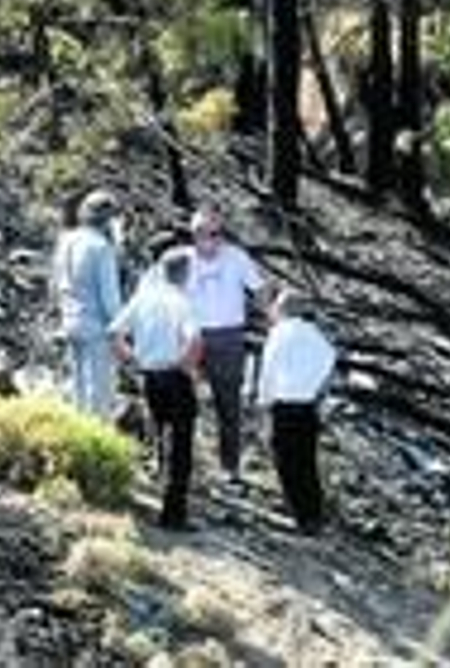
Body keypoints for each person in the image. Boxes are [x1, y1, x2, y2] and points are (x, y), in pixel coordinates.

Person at [109, 246, 202, 531]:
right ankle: (173, 514)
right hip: (174, 375)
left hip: (149, 376)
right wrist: (187, 367)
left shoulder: (143, 298)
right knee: (180, 446)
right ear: (185, 274)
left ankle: (155, 502)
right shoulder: (182, 302)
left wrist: (132, 360)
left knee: (158, 439)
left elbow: (114, 334)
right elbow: (195, 340)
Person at [183, 203, 271, 487]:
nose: (211, 239)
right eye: (203, 233)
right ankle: (180, 465)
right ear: (194, 234)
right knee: (181, 402)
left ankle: (230, 468)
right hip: (191, 337)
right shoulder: (182, 260)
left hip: (228, 337)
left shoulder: (236, 257)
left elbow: (260, 289)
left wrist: (272, 320)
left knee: (229, 406)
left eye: (216, 233)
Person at [256, 291, 338, 534]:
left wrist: (263, 400)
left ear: (282, 309)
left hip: (283, 405)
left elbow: (268, 369)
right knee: (307, 463)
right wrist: (316, 389)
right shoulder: (316, 334)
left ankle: (302, 517)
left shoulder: (279, 333)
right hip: (308, 407)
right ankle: (314, 514)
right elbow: (330, 359)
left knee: (286, 463)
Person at [49, 189, 123, 419]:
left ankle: (78, 433)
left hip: (69, 319)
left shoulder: (66, 240)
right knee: (98, 392)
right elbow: (109, 296)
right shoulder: (101, 247)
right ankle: (96, 436)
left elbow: (54, 283)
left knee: (78, 387)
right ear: (108, 219)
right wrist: (120, 330)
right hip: (95, 325)